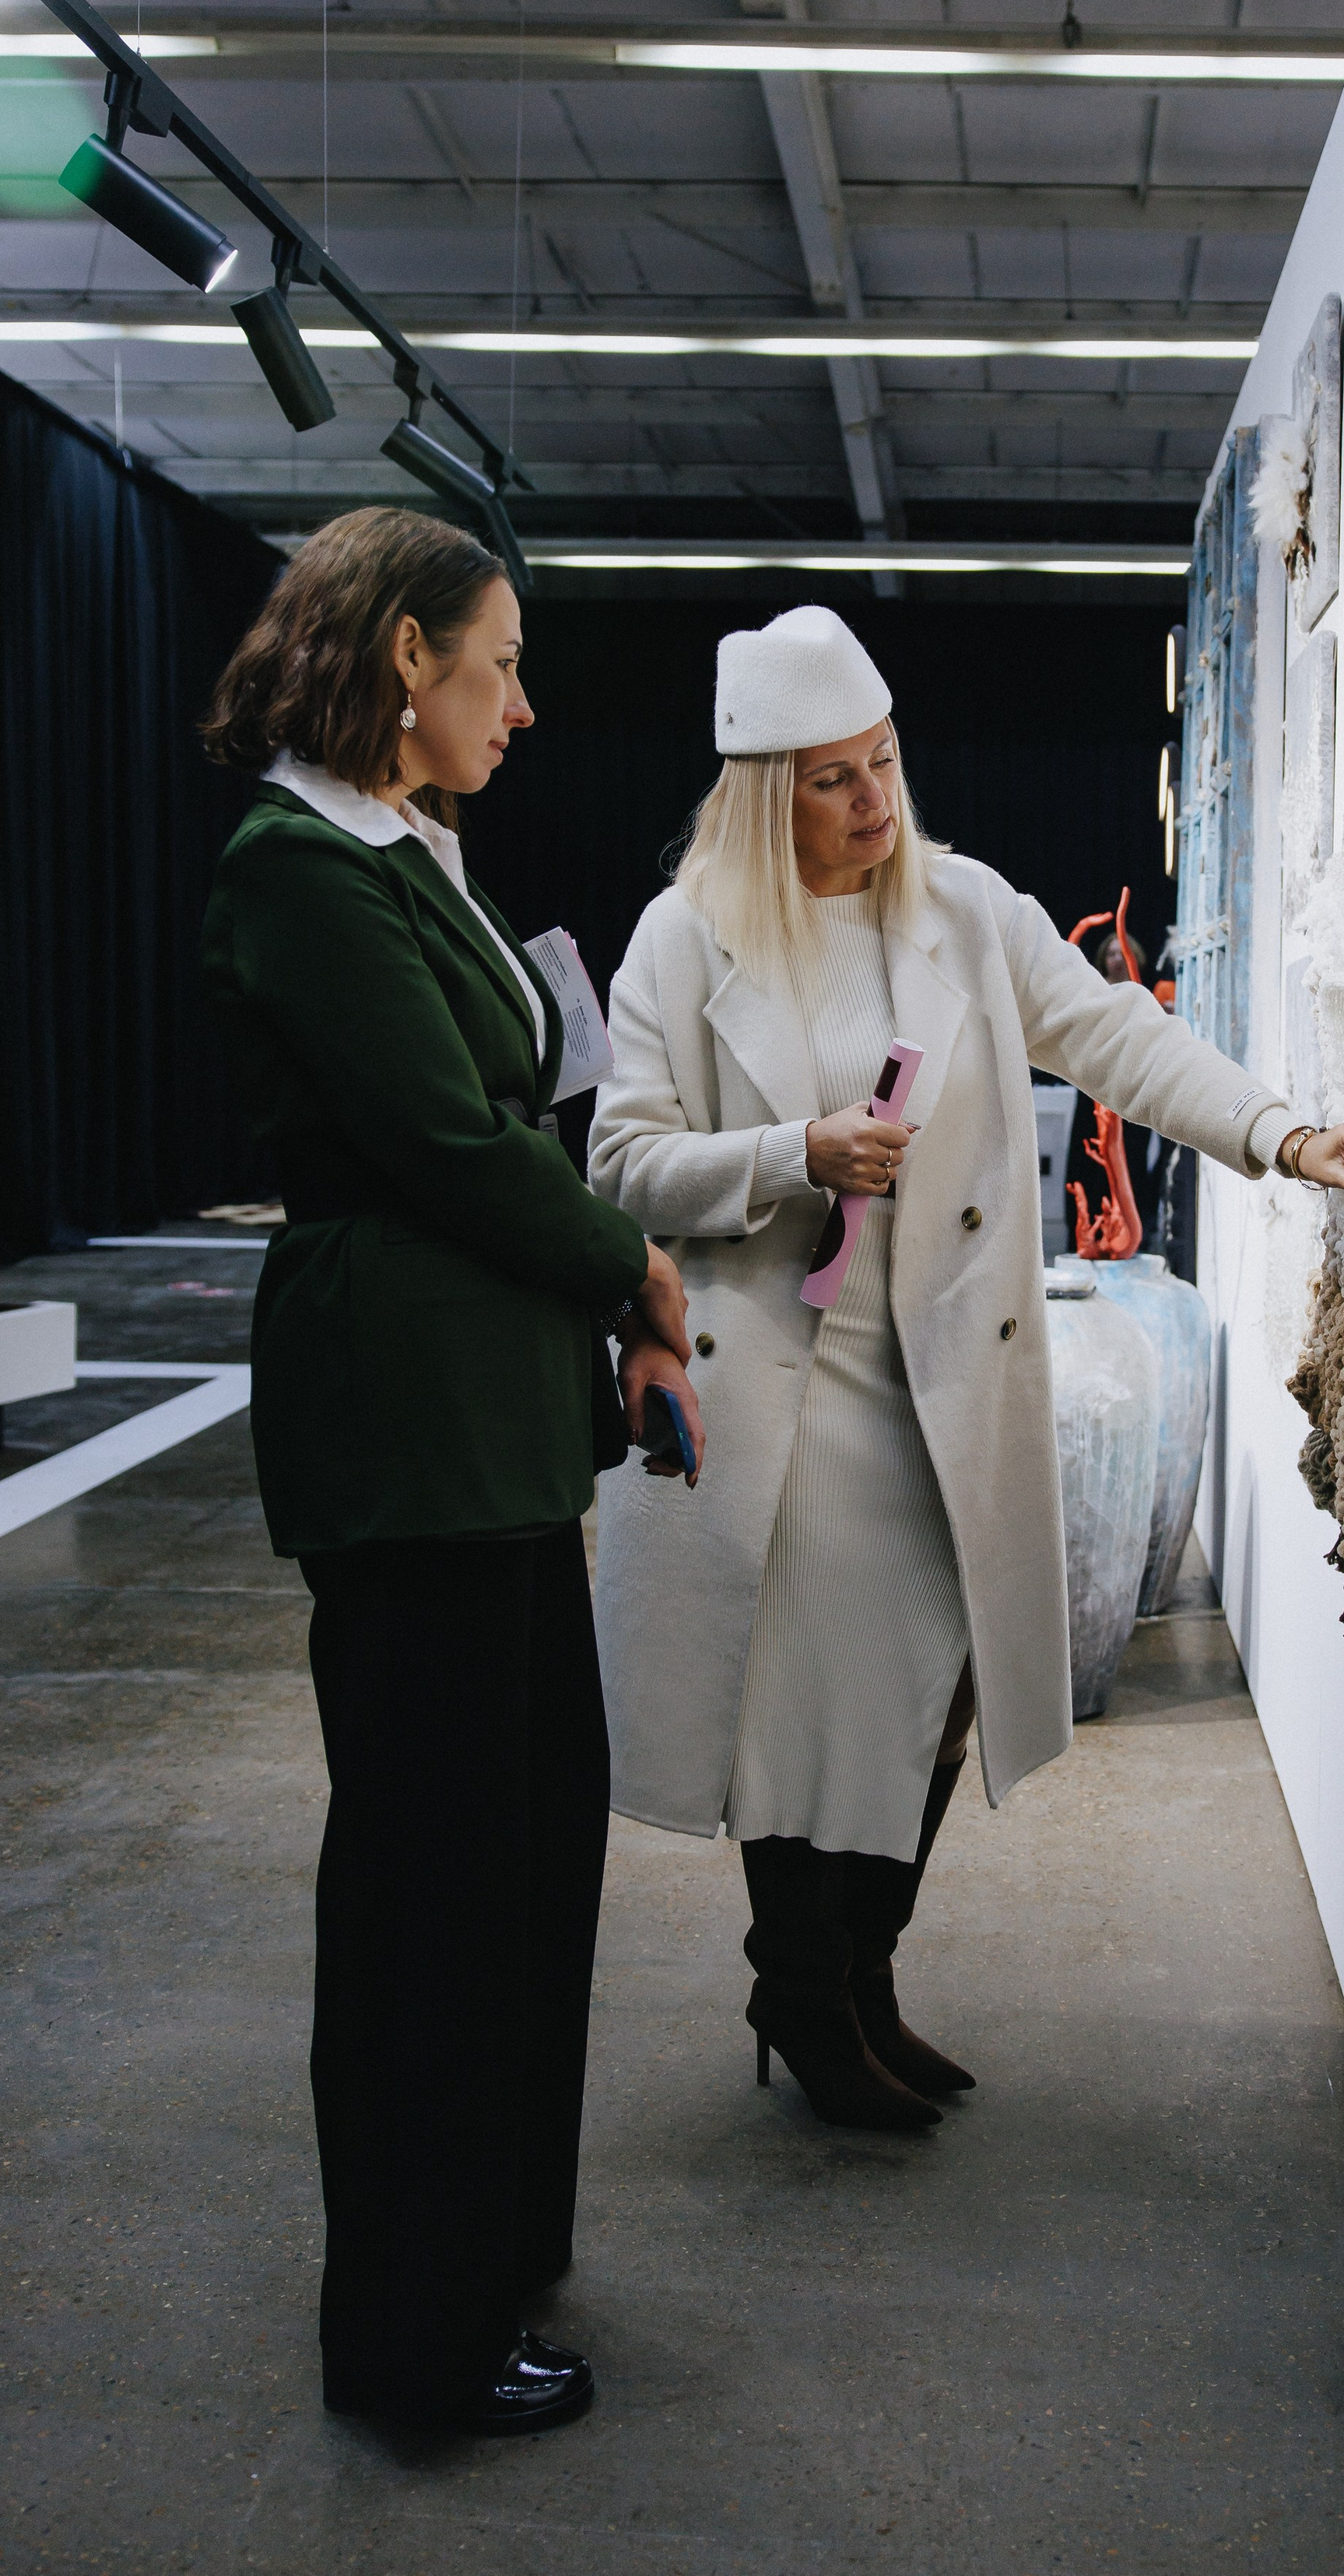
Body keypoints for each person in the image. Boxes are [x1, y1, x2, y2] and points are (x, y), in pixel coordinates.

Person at [586, 605, 1344, 2133]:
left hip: (941, 1378)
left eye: (883, 763)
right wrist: (797, 1151)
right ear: (767, 791)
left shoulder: (960, 910)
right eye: (832, 780)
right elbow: (620, 1160)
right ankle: (805, 1995)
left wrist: (1287, 1134)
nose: (873, 803)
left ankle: (860, 1978)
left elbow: (1114, 1038)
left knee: (934, 1697)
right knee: (809, 1716)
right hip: (789, 1385)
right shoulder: (683, 935)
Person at [198, 508, 703, 2437]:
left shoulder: (411, 852)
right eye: (497, 662)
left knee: (516, 1868)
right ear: (405, 657)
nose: (522, 701)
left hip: (487, 1445)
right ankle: (410, 2344)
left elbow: (512, 1109)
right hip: (406, 1445)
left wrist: (608, 1323)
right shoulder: (299, 867)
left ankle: (488, 2253)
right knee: (429, 1904)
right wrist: (637, 1267)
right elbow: (449, 1141)